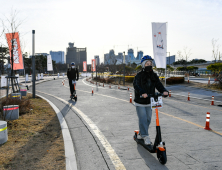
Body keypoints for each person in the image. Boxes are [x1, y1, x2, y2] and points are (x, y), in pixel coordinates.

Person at [133, 55, 168, 145]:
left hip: (150, 101)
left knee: (148, 119)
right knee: (143, 119)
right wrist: (142, 93)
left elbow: (158, 84)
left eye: (150, 63)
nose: (149, 65)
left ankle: (141, 133)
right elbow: (136, 85)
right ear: (143, 65)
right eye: (147, 63)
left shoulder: (154, 75)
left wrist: (164, 91)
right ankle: (145, 135)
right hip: (140, 101)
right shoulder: (139, 75)